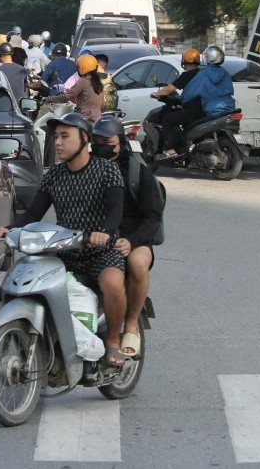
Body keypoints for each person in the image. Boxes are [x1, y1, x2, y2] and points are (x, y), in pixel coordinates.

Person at [0, 113, 127, 367]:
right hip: (65, 251)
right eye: (56, 136)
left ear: (84, 138)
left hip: (101, 252)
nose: (58, 142)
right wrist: (9, 229)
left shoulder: (106, 170)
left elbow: (114, 212)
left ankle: (112, 341)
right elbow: (33, 213)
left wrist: (105, 233)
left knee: (113, 283)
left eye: (65, 136)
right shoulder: (54, 175)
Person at [91, 115, 163, 360]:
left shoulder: (137, 172)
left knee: (138, 264)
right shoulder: (85, 168)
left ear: (120, 143)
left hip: (134, 237)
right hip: (96, 236)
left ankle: (131, 323)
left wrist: (131, 240)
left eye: (107, 142)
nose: (101, 147)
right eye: (96, 141)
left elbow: (153, 216)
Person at [157, 45, 236, 158]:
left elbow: (190, 93)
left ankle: (171, 150)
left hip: (207, 109)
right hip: (228, 107)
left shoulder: (203, 74)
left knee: (168, 119)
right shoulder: (224, 72)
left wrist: (182, 100)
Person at [44, 53, 106, 121]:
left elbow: (66, 97)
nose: (77, 69)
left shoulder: (83, 81)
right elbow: (102, 105)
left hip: (84, 117)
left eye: (78, 67)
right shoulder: (99, 83)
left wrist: (49, 99)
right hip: (97, 119)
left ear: (83, 68)